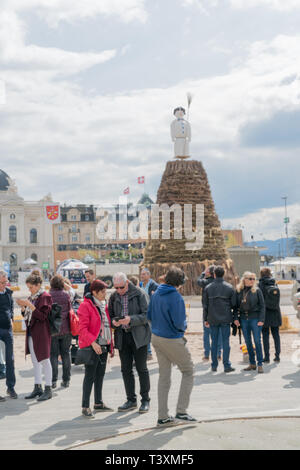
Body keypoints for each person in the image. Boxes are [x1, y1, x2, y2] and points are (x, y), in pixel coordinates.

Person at [148, 267, 195, 427]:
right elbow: (179, 323)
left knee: (164, 377)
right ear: (180, 283)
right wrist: (183, 327)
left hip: (156, 336)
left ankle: (163, 416)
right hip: (172, 338)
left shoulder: (155, 293)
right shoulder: (176, 297)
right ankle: (181, 411)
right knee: (188, 371)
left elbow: (149, 316)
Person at [108, 272, 151, 414]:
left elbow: (147, 316)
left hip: (139, 336)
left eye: (121, 287)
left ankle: (145, 400)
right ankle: (131, 400)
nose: (119, 290)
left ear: (127, 283)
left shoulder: (139, 293)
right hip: (122, 336)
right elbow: (112, 316)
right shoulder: (114, 296)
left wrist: (131, 319)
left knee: (141, 368)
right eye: (116, 287)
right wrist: (115, 322)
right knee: (125, 369)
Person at [77, 280, 114, 418]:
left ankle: (98, 402)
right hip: (92, 346)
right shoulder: (85, 306)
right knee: (90, 376)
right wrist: (93, 342)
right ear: (94, 292)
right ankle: (85, 406)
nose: (105, 294)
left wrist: (110, 344)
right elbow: (82, 329)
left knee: (100, 375)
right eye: (103, 291)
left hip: (104, 344)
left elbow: (107, 325)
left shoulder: (104, 304)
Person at [17, 273, 53, 401]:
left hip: (42, 332)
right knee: (35, 361)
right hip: (32, 332)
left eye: (31, 287)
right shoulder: (32, 297)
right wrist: (23, 308)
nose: (29, 290)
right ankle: (38, 386)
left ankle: (48, 388)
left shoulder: (45, 296)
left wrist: (30, 306)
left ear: (38, 285)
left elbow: (43, 316)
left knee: (44, 359)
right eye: (28, 288)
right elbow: (28, 317)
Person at [202, 266, 237, 373]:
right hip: (226, 318)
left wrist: (205, 319)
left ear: (214, 274)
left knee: (214, 342)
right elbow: (234, 305)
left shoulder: (208, 288)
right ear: (224, 274)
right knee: (226, 342)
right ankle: (226, 365)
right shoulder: (229, 287)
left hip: (212, 318)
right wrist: (234, 318)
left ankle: (214, 365)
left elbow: (205, 306)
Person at [236, 272, 265, 373]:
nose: (252, 280)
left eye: (254, 279)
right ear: (244, 279)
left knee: (257, 341)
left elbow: (262, 306)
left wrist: (261, 320)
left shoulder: (257, 291)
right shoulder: (239, 291)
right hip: (244, 319)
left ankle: (260, 364)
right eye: (250, 278)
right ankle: (252, 363)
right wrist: (236, 318)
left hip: (255, 319)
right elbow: (235, 306)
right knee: (248, 342)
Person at [49, 275, 72, 388]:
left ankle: (53, 380)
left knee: (53, 355)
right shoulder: (66, 295)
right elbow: (70, 309)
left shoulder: (48, 296)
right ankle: (66, 380)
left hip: (53, 329)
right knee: (66, 354)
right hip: (66, 328)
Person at [197, 265, 222, 362]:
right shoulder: (219, 283)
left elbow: (198, 281)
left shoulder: (205, 282)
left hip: (207, 311)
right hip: (218, 310)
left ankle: (207, 354)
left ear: (209, 273)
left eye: (206, 270)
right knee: (218, 333)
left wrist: (202, 274)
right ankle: (218, 354)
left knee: (207, 333)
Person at [0, 270, 17, 401]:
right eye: (1, 282)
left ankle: (10, 387)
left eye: (5, 282)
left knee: (10, 359)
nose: (4, 285)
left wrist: (11, 317)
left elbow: (11, 308)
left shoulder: (8, 293)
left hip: (8, 329)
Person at [259, 268, 281, 363]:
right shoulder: (274, 283)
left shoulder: (260, 284)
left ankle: (267, 357)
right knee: (276, 335)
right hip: (275, 311)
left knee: (265, 335)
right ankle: (277, 356)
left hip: (265, 313)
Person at [140, 268, 158, 361]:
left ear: (149, 275)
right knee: (145, 334)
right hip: (143, 313)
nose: (142, 276)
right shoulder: (140, 284)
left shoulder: (154, 285)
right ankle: (148, 353)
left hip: (152, 313)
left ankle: (157, 353)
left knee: (153, 334)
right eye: (141, 274)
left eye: (144, 274)